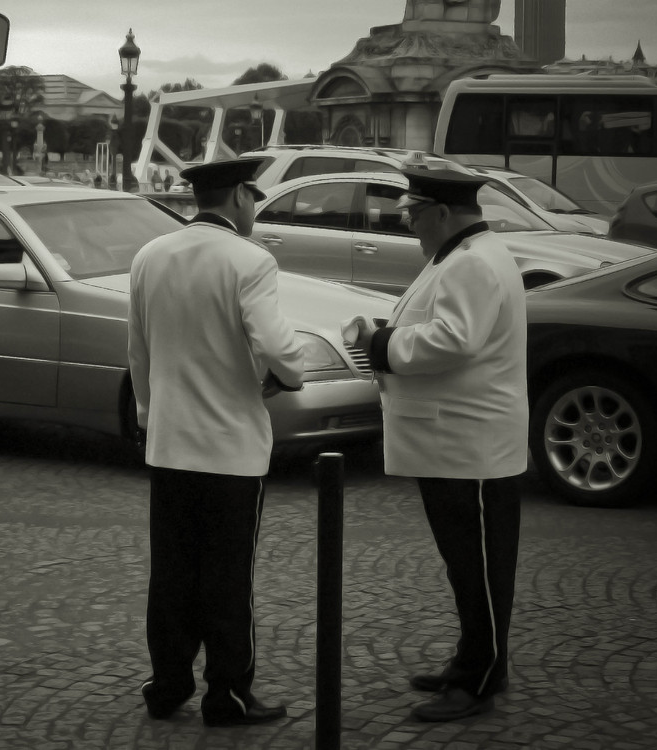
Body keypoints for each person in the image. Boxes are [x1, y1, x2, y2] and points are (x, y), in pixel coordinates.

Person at [344, 166, 527, 723]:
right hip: (458, 442)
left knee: (478, 568)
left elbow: (455, 339)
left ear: (442, 213)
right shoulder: (463, 256)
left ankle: (479, 678)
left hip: (469, 445)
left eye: (412, 214)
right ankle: (475, 658)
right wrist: (391, 333)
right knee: (466, 565)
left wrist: (383, 343)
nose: (409, 225)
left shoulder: (470, 262)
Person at [127, 157, 304, 727]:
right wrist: (291, 375)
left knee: (172, 573)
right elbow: (277, 346)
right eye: (254, 196)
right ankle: (227, 693)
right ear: (239, 197)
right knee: (228, 577)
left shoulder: (149, 256)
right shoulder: (251, 260)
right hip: (231, 449)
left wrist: (150, 418)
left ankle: (168, 684)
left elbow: (139, 354)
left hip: (171, 444)